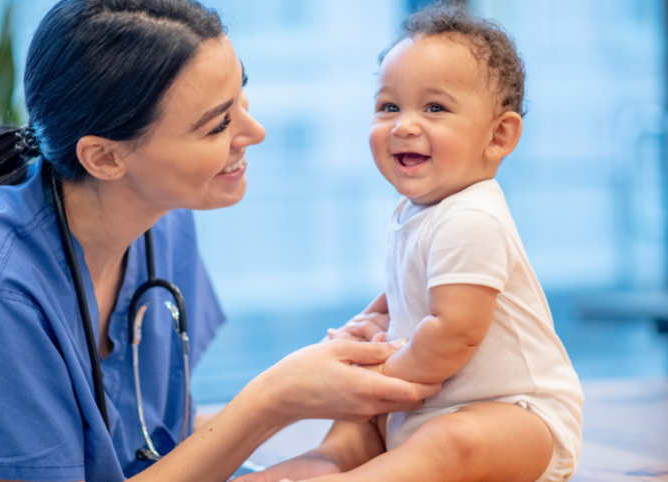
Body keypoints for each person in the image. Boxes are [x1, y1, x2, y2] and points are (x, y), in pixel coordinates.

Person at [0, 1, 443, 481]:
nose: (256, 131)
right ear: (105, 158)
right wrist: (273, 399)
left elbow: (158, 443)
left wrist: (318, 392)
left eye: (240, 96)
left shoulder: (160, 220)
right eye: (217, 124)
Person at [241, 3, 584, 482]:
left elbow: (455, 331)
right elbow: (409, 290)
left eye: (435, 107)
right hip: (425, 403)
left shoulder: (472, 217)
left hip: (518, 418)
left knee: (448, 443)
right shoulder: (417, 211)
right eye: (388, 106)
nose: (403, 124)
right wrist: (372, 320)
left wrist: (379, 376)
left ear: (498, 136)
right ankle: (312, 468)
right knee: (355, 429)